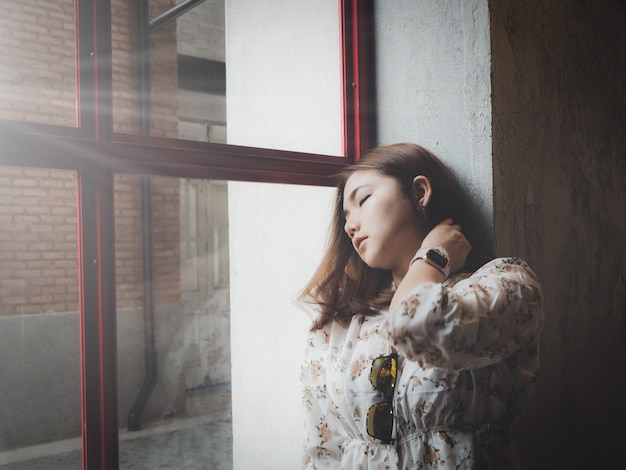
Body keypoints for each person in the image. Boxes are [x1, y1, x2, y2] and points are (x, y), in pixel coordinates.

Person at [299, 143, 544, 469]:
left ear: (419, 191)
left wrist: (433, 257)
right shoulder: (342, 324)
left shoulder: (502, 286)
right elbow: (322, 450)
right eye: (345, 217)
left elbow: (413, 323)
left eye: (364, 199)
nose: (350, 225)